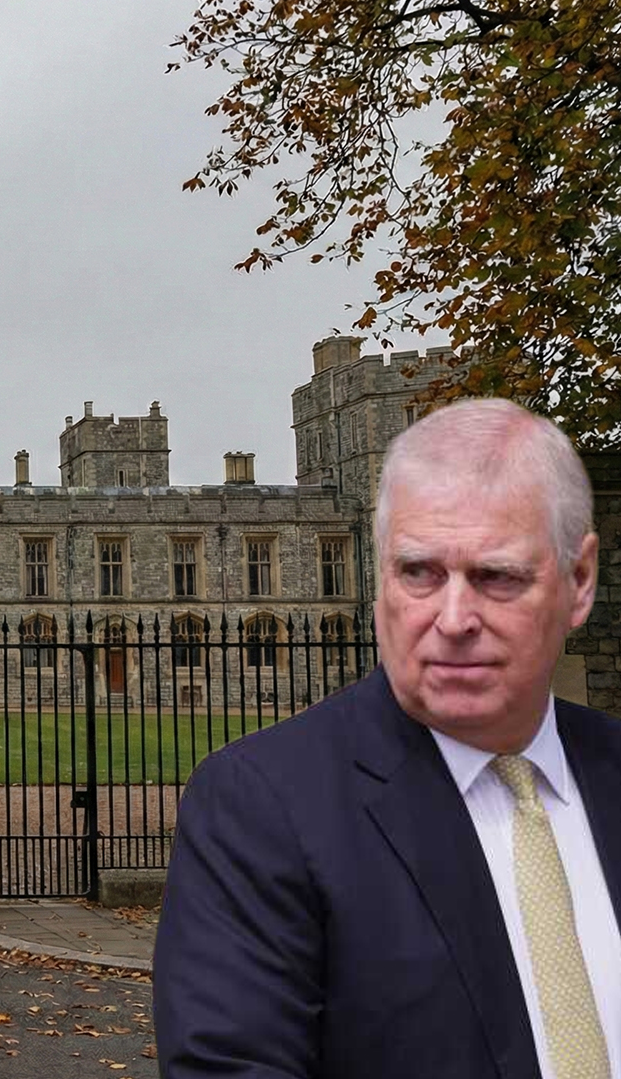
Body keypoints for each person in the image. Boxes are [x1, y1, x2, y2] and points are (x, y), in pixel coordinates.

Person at [155, 398, 621, 1079]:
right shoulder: (262, 807)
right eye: (419, 572)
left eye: (496, 575)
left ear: (579, 582)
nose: (453, 619)